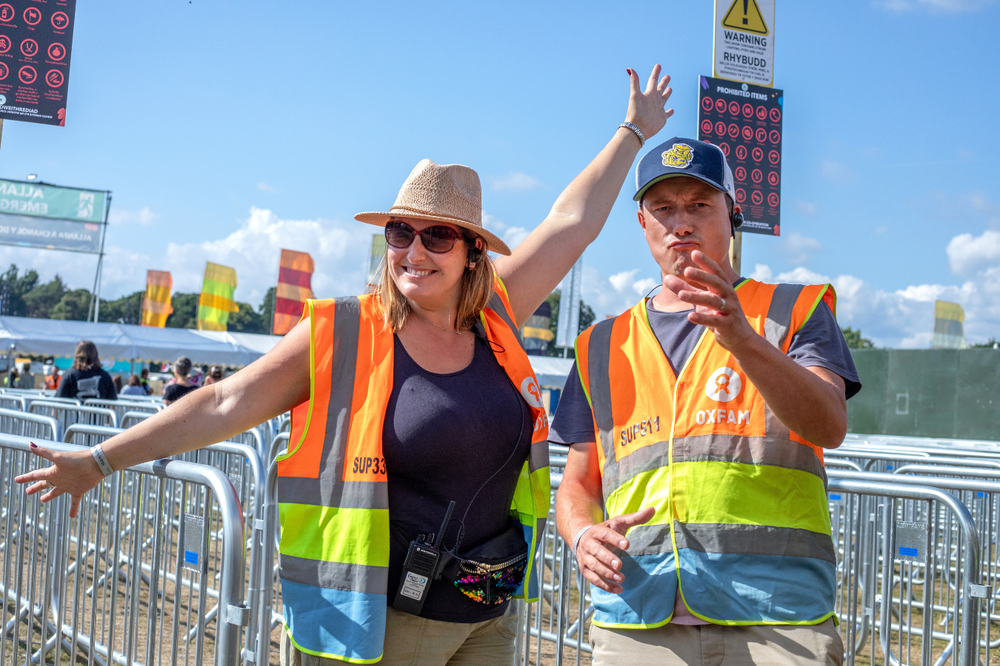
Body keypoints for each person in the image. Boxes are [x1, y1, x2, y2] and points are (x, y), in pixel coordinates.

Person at [16, 66, 675, 666]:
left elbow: (572, 221)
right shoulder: (343, 331)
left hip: (489, 617)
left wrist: (632, 130)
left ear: (473, 252)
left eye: (437, 235)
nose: (414, 251)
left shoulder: (497, 315)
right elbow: (223, 403)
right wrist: (99, 461)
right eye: (400, 233)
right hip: (377, 624)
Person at [552, 137, 862, 666]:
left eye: (699, 205)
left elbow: (829, 425)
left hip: (776, 620)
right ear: (642, 223)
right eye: (663, 208)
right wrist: (581, 535)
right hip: (638, 621)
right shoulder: (599, 344)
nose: (681, 223)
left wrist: (743, 338)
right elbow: (579, 484)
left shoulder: (795, 311)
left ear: (732, 215)